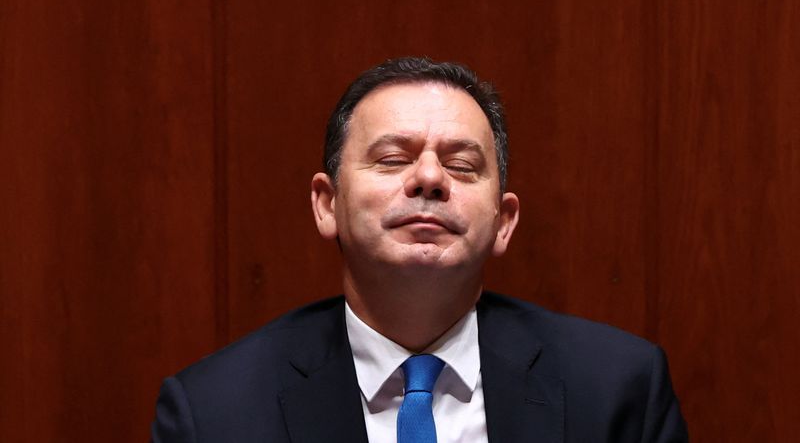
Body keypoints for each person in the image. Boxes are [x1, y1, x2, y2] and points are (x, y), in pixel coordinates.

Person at [151, 57, 688, 442]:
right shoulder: (214, 413)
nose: (429, 177)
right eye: (391, 159)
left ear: (503, 223)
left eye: (461, 165)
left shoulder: (618, 390)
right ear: (326, 204)